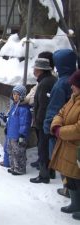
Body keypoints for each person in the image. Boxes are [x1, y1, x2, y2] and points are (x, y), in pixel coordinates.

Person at [43, 49, 77, 196]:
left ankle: (68, 189)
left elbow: (55, 108)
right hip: (71, 129)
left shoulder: (61, 84)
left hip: (61, 129)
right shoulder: (75, 78)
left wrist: (48, 126)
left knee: (63, 160)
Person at [49, 70, 80, 221]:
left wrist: (61, 131)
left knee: (78, 177)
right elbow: (60, 112)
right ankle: (75, 203)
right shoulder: (74, 98)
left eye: (74, 84)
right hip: (68, 145)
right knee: (71, 176)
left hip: (76, 147)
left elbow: (79, 128)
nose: (72, 87)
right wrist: (56, 125)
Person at [30, 58, 57, 184]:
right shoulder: (51, 80)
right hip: (50, 121)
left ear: (40, 69)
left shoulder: (45, 83)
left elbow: (43, 105)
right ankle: (50, 171)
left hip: (44, 122)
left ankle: (43, 175)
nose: (33, 70)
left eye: (35, 68)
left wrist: (39, 122)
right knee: (48, 147)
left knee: (43, 148)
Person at [6, 85, 32, 175]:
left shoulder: (24, 108)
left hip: (18, 135)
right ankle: (14, 167)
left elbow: (24, 123)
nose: (15, 96)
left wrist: (22, 135)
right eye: (14, 94)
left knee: (19, 152)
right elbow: (11, 119)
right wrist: (7, 128)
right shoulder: (14, 105)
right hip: (12, 134)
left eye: (17, 94)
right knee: (12, 152)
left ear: (22, 95)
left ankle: (20, 169)